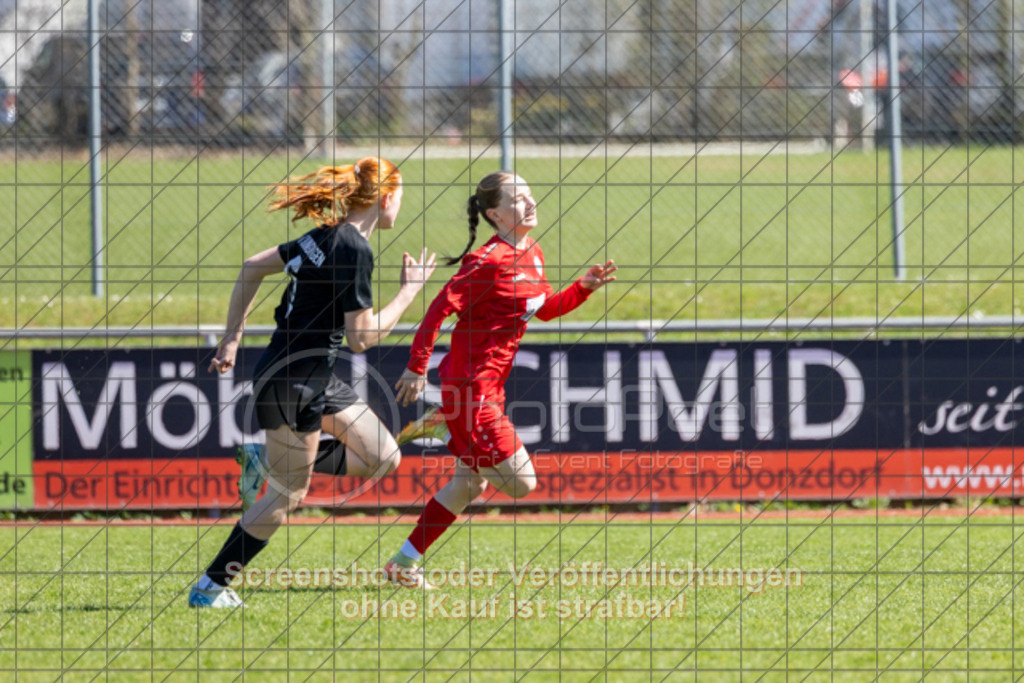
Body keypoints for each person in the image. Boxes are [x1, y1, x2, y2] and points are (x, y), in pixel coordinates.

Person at [189, 157, 437, 608]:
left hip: (307, 376)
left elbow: (251, 267)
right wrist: (409, 292)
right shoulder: (354, 248)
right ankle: (210, 588)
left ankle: (264, 458)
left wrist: (231, 339)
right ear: (385, 199)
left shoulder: (325, 236)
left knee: (383, 457)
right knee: (287, 497)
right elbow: (362, 339)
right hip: (294, 383)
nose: (400, 207)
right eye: (400, 198)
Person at [382, 171, 616, 588]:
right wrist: (417, 366)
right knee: (522, 482)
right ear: (495, 214)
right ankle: (447, 427)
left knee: (467, 484)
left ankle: (402, 565)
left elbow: (542, 309)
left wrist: (583, 287)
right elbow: (438, 309)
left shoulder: (533, 252)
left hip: (490, 387)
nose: (530, 202)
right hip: (470, 389)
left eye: (530, 194)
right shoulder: (486, 261)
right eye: (517, 199)